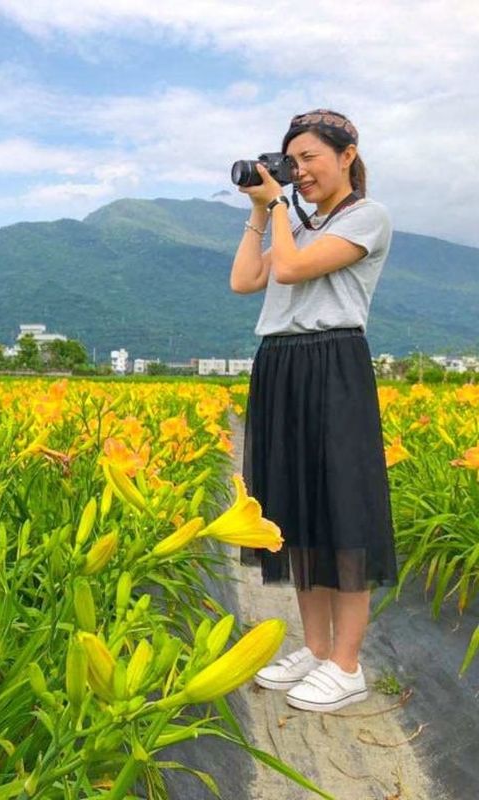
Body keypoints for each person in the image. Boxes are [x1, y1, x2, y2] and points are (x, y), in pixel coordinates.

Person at [229, 109, 398, 712]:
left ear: (347, 154)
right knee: (296, 512)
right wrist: (260, 208)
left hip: (332, 363)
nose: (298, 172)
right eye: (290, 162)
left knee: (342, 511)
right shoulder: (291, 223)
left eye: (309, 159)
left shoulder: (366, 218)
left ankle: (347, 665)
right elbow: (245, 281)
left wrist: (277, 208)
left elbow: (296, 270)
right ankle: (318, 648)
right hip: (280, 363)